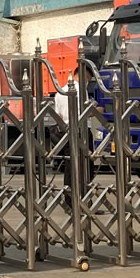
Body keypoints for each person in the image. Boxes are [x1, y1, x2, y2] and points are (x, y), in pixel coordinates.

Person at [54, 67, 102, 201]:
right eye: (88, 79)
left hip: (66, 132)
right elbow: (84, 113)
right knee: (86, 167)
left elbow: (58, 115)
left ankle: (70, 200)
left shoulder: (60, 92)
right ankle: (84, 200)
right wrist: (97, 111)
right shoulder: (81, 91)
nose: (87, 82)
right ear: (83, 76)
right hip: (82, 132)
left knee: (71, 166)